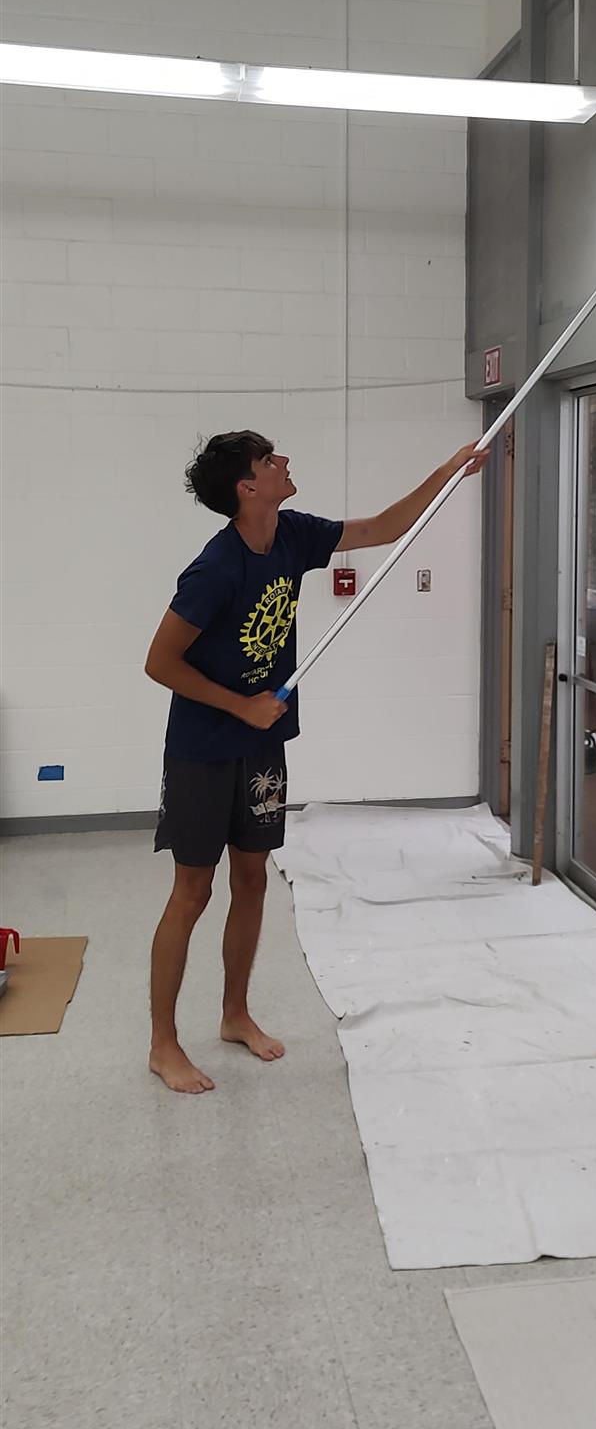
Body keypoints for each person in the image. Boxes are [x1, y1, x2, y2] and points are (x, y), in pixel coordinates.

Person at [144, 429, 486, 1094]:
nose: (284, 462)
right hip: (203, 751)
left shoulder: (294, 534)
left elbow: (382, 528)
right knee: (193, 892)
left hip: (260, 745)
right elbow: (160, 663)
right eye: (269, 460)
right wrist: (239, 706)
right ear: (248, 487)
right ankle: (163, 1044)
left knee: (252, 880)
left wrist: (447, 471)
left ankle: (234, 1014)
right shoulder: (214, 569)